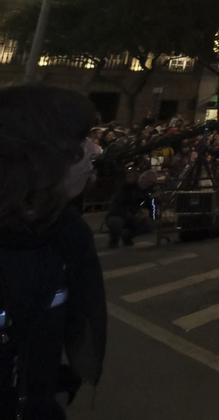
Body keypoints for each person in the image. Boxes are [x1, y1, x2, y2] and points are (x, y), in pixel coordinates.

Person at [0, 86, 107, 419]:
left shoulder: (69, 233)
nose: (95, 150)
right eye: (80, 140)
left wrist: (57, 389)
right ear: (37, 154)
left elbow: (65, 330)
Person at [104, 170, 158, 249]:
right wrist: (147, 197)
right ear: (143, 178)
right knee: (116, 222)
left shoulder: (150, 190)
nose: (149, 184)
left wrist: (154, 218)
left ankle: (127, 235)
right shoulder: (128, 186)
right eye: (149, 181)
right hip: (118, 213)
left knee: (148, 225)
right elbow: (125, 200)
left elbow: (152, 205)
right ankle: (114, 239)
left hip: (133, 214)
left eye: (152, 182)